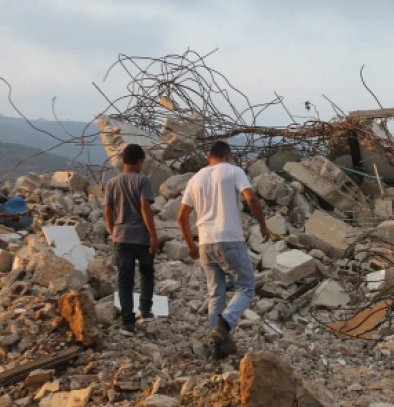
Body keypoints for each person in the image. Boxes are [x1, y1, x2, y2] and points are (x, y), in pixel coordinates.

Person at [178, 141, 271, 358]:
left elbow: (182, 216)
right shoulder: (233, 171)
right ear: (227, 155)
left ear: (209, 157)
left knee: (215, 293)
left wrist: (190, 245)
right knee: (246, 287)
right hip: (229, 238)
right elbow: (250, 198)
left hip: (205, 242)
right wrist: (263, 226)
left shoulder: (195, 178)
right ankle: (224, 324)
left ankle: (216, 349)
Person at [104, 144, 159, 333]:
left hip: (121, 237)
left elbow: (108, 211)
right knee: (146, 272)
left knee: (124, 279)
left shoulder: (112, 183)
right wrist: (153, 234)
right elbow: (145, 208)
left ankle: (128, 321)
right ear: (139, 161)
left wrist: (113, 232)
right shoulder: (143, 181)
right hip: (142, 237)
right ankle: (145, 311)